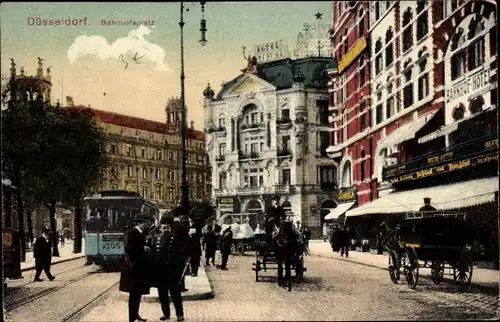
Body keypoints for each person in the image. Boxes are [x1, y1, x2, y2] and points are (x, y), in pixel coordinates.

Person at [151, 217, 188, 322]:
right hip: (160, 271)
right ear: (161, 227)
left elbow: (181, 254)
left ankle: (180, 314)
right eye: (163, 226)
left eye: (167, 227)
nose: (165, 228)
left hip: (172, 271)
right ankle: (166, 314)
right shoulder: (157, 238)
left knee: (175, 294)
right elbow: (154, 255)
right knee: (162, 294)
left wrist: (179, 269)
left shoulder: (175, 238)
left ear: (170, 227)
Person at [119, 213, 153, 322]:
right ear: (139, 223)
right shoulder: (131, 233)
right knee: (133, 294)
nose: (147, 225)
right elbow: (128, 249)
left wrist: (144, 248)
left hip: (139, 269)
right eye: (145, 223)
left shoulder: (141, 233)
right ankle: (131, 318)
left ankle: (135, 315)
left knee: (137, 294)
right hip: (132, 269)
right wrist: (143, 249)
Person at [274, 221, 298, 290]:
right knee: (282, 265)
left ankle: (285, 278)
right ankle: (282, 278)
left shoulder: (291, 235)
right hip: (281, 251)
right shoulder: (281, 234)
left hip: (287, 252)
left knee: (286, 265)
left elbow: (295, 244)